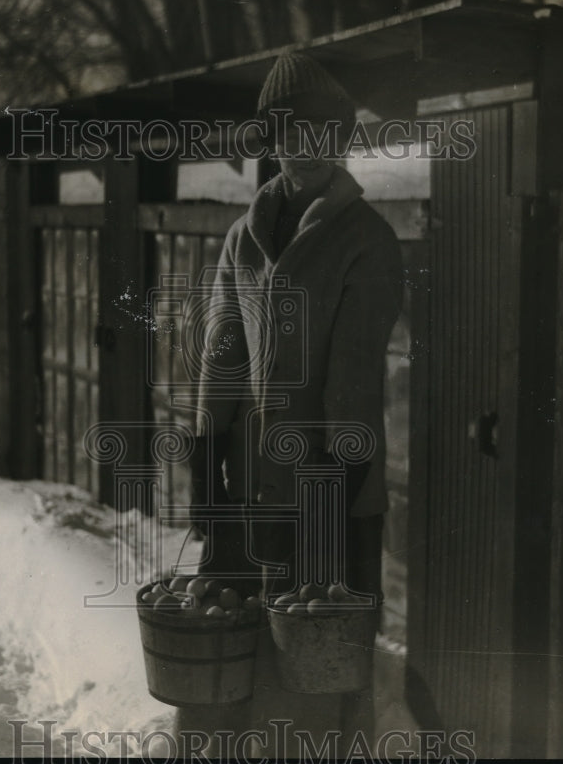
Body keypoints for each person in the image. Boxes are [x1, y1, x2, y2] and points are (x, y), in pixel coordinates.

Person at [178, 51, 404, 759]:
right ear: (271, 140)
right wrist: (206, 464)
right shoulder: (241, 238)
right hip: (248, 479)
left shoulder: (367, 240)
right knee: (230, 657)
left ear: (340, 140)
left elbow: (353, 382)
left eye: (322, 133)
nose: (305, 148)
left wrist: (333, 492)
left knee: (317, 664)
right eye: (289, 132)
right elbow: (222, 358)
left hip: (331, 476)